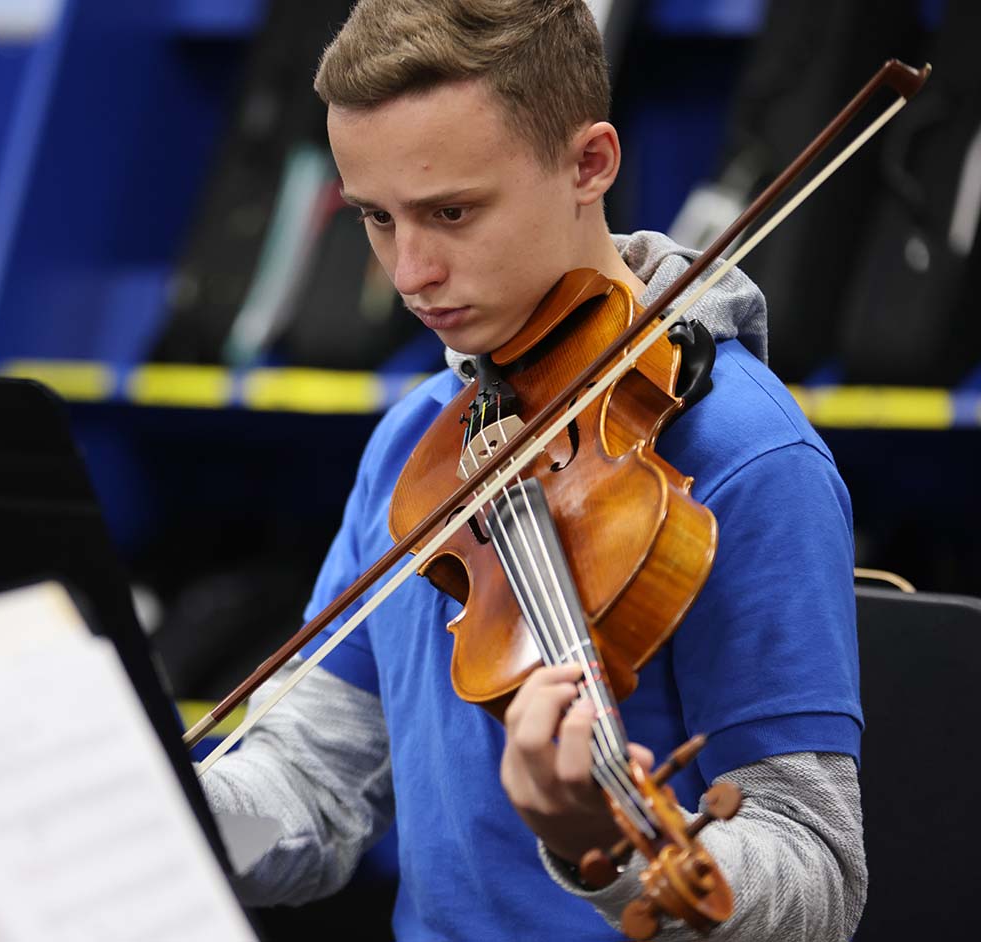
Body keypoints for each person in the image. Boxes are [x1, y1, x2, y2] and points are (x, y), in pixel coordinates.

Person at [200, 2, 866, 939]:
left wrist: (613, 849)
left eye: (452, 212)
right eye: (376, 219)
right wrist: (170, 806)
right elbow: (315, 782)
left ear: (589, 163)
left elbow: (819, 877)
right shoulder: (416, 440)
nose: (410, 273)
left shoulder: (748, 457)